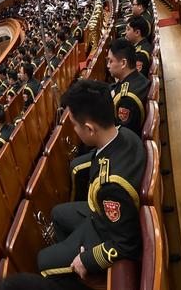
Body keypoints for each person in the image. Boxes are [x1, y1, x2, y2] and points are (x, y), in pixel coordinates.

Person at [37, 79, 146, 286]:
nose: (74, 130)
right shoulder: (124, 133)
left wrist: (87, 259)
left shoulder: (111, 185)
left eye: (74, 125)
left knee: (43, 263)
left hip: (108, 231)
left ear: (89, 128)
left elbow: (127, 245)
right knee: (58, 214)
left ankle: (76, 271)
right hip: (102, 217)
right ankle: (73, 270)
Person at [106, 39, 150, 137]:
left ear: (123, 63)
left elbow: (122, 137)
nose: (108, 66)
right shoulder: (137, 78)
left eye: (110, 61)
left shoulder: (126, 99)